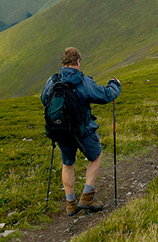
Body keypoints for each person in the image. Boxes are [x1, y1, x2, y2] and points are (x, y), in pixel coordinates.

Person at [40, 47, 121, 216]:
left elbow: (44, 99)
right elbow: (105, 95)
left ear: (63, 63)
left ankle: (70, 204)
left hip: (60, 130)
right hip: (82, 131)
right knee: (96, 156)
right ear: (78, 62)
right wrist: (115, 84)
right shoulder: (82, 81)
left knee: (67, 164)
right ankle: (87, 197)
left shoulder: (53, 80)